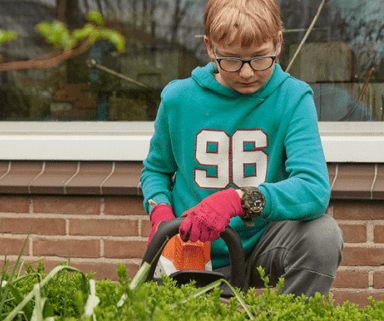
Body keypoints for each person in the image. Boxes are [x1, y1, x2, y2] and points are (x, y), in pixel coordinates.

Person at [140, 0, 343, 298]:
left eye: (260, 58)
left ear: (278, 42)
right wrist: (161, 212)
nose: (247, 73)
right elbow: (156, 171)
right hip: (196, 250)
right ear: (211, 48)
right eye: (232, 60)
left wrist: (239, 200)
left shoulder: (293, 97)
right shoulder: (178, 99)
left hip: (265, 241)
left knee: (323, 236)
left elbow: (313, 189)